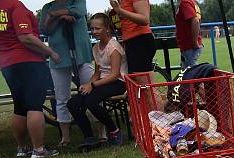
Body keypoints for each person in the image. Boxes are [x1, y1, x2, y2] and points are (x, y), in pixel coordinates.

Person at [0, 0, 59, 158]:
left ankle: (21, 149)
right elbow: (25, 37)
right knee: (34, 105)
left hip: (7, 62)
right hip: (28, 60)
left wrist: (5, 44)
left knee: (20, 106)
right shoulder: (15, 6)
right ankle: (39, 150)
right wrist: (51, 52)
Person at [67, 13, 127, 147]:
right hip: (101, 82)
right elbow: (98, 71)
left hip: (118, 82)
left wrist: (92, 85)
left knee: (90, 101)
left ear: (107, 28)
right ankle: (89, 137)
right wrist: (88, 84)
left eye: (97, 28)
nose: (94, 32)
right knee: (73, 103)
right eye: (92, 29)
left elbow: (114, 74)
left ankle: (114, 131)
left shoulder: (114, 47)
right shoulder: (96, 48)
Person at [39, 0, 94, 148]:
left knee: (93, 92)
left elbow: (78, 12)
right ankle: (65, 137)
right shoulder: (47, 7)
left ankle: (102, 132)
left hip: (82, 54)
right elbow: (45, 29)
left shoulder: (78, 1)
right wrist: (61, 16)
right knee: (62, 97)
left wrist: (54, 14)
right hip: (58, 57)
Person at [109, 0, 154, 73]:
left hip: (140, 41)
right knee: (134, 81)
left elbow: (145, 19)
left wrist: (120, 10)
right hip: (130, 42)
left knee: (143, 83)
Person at [175, 0, 202, 69]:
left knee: (192, 73)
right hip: (189, 46)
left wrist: (194, 42)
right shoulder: (191, 2)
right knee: (187, 72)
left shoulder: (184, 2)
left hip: (189, 46)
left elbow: (195, 21)